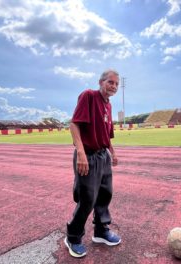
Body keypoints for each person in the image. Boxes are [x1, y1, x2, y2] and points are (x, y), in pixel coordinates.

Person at [64, 69, 121, 258]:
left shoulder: (109, 106)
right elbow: (74, 125)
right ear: (101, 82)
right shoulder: (89, 95)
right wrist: (80, 153)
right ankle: (73, 237)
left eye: (116, 84)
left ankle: (101, 231)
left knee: (105, 194)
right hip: (87, 156)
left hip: (102, 156)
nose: (113, 86)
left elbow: (106, 135)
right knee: (87, 199)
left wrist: (112, 152)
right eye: (110, 82)